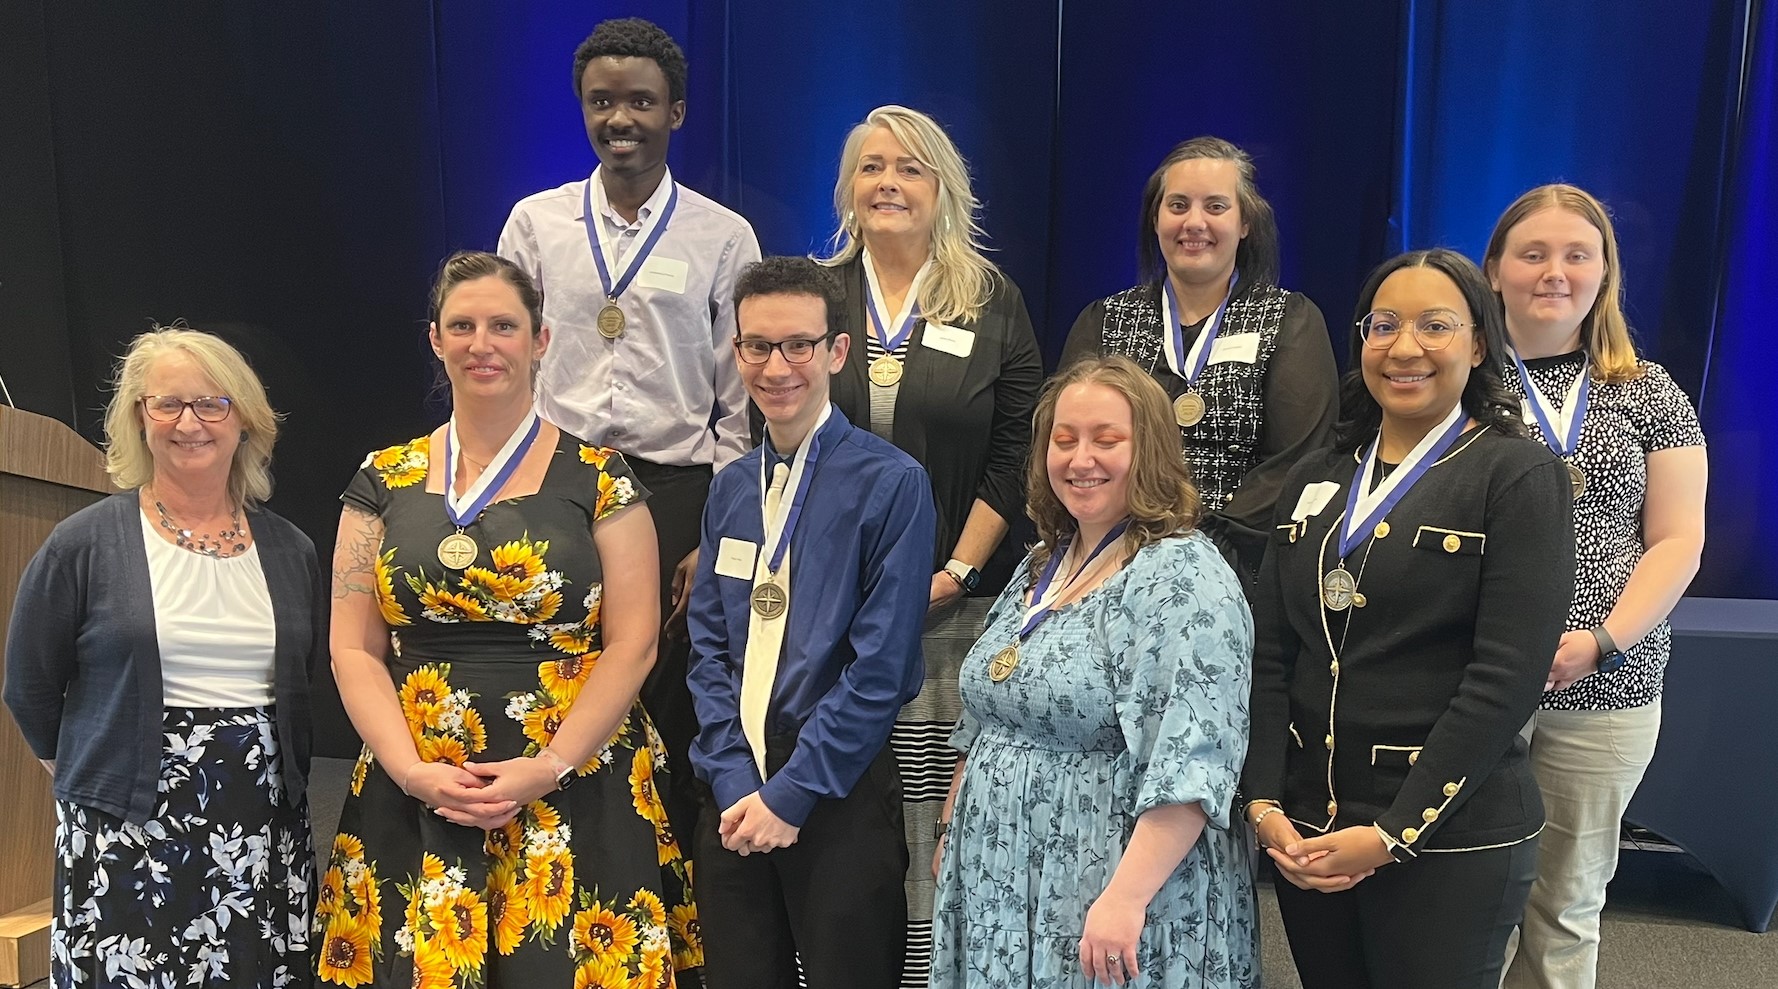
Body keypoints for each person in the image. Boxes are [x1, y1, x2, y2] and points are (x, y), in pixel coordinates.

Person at [319, 252, 696, 988]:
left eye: (503, 325)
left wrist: (550, 764)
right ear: (435, 338)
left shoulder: (602, 477)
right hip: (420, 780)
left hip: (574, 774)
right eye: (462, 325)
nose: (481, 343)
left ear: (541, 339)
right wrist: (409, 770)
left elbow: (634, 641)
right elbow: (353, 646)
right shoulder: (380, 479)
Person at [1241, 249, 1575, 989]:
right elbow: (1270, 654)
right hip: (1311, 829)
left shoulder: (1518, 475)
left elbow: (1505, 680)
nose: (1404, 346)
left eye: (1435, 325)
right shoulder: (1320, 474)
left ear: (1480, 343)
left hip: (1448, 838)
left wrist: (1393, 834)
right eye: (1384, 324)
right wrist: (1265, 804)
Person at [497, 16, 764, 848]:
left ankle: (668, 899)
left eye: (641, 102)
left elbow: (740, 395)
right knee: (558, 679)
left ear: (676, 112)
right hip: (557, 484)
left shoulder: (723, 236)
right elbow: (507, 363)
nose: (621, 119)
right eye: (602, 101)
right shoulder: (536, 225)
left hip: (677, 491)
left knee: (669, 691)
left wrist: (717, 525)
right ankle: (566, 870)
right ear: (581, 109)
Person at [929, 355, 1257, 989]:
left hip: (1111, 880)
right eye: (1064, 439)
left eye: (1108, 440)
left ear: (1153, 452)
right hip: (1001, 869)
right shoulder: (1041, 562)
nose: (1081, 459)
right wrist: (952, 825)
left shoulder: (1181, 576)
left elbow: (1192, 762)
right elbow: (987, 719)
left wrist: (1126, 899)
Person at [5, 327, 319, 986]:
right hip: (124, 829)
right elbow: (29, 684)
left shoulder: (292, 549)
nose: (189, 422)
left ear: (244, 421)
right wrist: (94, 772)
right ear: (137, 418)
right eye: (167, 403)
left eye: (212, 403)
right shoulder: (82, 544)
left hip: (255, 827)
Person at [814, 103, 1044, 981]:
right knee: (845, 805)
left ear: (942, 187)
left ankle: (934, 971)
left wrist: (955, 570)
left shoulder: (990, 302)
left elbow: (1017, 447)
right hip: (826, 611)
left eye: (909, 168)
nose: (888, 183)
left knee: (937, 813)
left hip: (952, 610)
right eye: (872, 167)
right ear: (847, 187)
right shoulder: (816, 291)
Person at [686, 256, 936, 989]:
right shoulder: (731, 489)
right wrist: (734, 780)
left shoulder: (892, 484)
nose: (777, 366)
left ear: (836, 350)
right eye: (757, 346)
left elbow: (882, 667)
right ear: (736, 354)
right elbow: (707, 649)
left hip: (835, 791)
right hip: (733, 792)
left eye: (798, 343)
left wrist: (792, 793)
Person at [1484, 185, 1708, 989]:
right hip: (1470, 679)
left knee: (1567, 899)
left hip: (1605, 686)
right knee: (1456, 892)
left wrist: (1604, 640)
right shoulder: (1456, 383)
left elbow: (1678, 537)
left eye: (1577, 254)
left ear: (1604, 271)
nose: (1555, 271)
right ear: (1496, 270)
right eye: (1533, 253)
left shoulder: (1648, 389)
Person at [1060, 136, 1338, 583]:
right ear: (1155, 219)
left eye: (1215, 206)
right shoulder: (1105, 321)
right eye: (1177, 205)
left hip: (1238, 563)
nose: (1194, 222)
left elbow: (1297, 459)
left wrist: (1199, 550)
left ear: (1245, 223)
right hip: (1110, 556)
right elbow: (1069, 442)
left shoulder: (1291, 320)